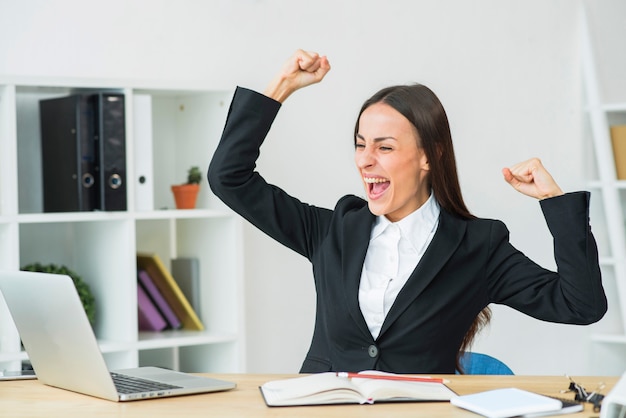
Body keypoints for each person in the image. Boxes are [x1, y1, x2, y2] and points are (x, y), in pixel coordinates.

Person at [208, 50, 607, 374]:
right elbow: (229, 178)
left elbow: (581, 305)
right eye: (360, 144)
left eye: (384, 147)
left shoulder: (477, 247)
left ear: (429, 157)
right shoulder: (333, 231)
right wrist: (282, 86)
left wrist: (554, 202)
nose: (365, 160)